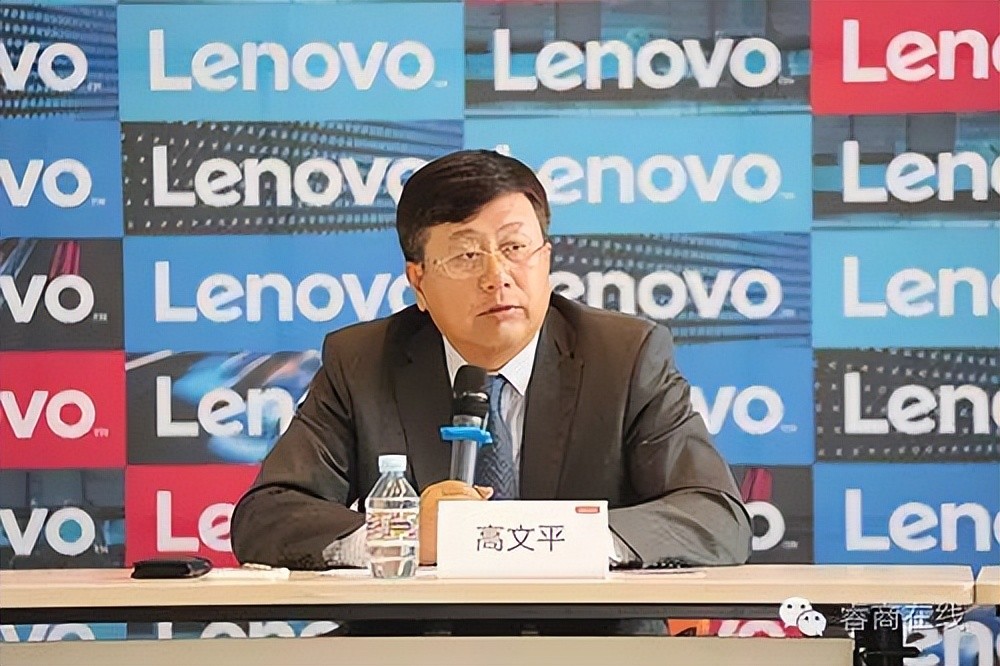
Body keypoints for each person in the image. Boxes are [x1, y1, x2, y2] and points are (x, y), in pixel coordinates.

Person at [230, 149, 752, 635]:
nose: (497, 276)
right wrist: (404, 534)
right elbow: (266, 518)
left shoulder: (625, 355)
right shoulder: (363, 362)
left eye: (515, 247)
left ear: (546, 258)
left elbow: (714, 514)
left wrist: (549, 540)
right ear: (419, 281)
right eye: (466, 255)